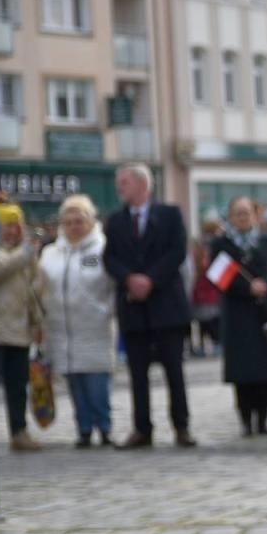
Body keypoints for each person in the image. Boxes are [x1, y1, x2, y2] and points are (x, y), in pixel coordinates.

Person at [103, 162, 196, 448]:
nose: (120, 188)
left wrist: (150, 280)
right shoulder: (115, 221)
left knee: (173, 371)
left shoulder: (168, 215)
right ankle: (142, 428)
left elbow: (177, 251)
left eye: (125, 183)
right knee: (137, 374)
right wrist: (130, 278)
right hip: (133, 308)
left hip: (166, 306)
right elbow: (109, 258)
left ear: (143, 185)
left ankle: (181, 426)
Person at [40, 195, 116, 448]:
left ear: (91, 221)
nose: (74, 226)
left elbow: (112, 285)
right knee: (75, 384)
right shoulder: (51, 253)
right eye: (69, 221)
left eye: (79, 221)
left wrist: (107, 310)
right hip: (62, 329)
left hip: (94, 327)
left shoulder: (102, 250)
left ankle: (104, 427)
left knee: (96, 384)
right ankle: (83, 429)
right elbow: (41, 287)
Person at [209, 196, 267, 436]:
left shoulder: (266, 241)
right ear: (231, 217)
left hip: (263, 316)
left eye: (246, 213)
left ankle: (263, 419)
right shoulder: (221, 244)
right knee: (242, 373)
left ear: (255, 215)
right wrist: (246, 288)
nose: (242, 218)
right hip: (237, 317)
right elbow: (218, 277)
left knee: (265, 372)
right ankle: (245, 420)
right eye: (237, 213)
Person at [0, 202, 45, 452]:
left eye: (15, 225)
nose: (11, 231)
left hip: (20, 331)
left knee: (18, 386)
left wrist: (37, 323)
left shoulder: (25, 254)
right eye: (6, 225)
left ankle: (18, 432)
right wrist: (24, 256)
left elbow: (34, 291)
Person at [190, 212, 223, 358]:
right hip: (207, 285)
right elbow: (203, 265)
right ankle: (214, 343)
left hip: (205, 285)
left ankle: (206, 344)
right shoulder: (207, 245)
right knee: (209, 318)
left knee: (206, 318)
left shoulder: (201, 243)